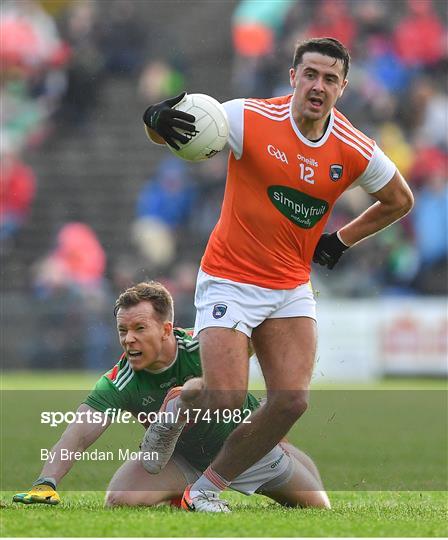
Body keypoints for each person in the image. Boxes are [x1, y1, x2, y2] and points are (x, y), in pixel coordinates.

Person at [141, 37, 414, 511]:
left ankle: (205, 491)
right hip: (229, 275)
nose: (318, 86)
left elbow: (399, 200)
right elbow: (184, 130)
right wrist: (155, 123)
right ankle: (179, 404)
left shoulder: (352, 146)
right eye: (310, 74)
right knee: (226, 399)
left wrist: (341, 239)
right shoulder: (249, 117)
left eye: (330, 79)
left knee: (291, 402)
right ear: (293, 77)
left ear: (343, 88)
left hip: (289, 286)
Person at [13, 281, 330, 511]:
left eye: (139, 328)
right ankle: (187, 492)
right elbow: (78, 434)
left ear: (166, 329)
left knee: (317, 507)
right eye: (123, 331)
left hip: (246, 451)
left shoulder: (204, 345)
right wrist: (46, 482)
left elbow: (261, 337)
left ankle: (275, 445)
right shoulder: (121, 379)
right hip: (184, 458)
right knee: (120, 499)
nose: (129, 339)